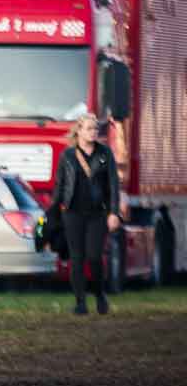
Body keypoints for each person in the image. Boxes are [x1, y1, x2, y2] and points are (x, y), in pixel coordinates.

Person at [51, 113, 121, 315]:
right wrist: (55, 211)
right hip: (72, 213)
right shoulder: (68, 155)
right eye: (89, 129)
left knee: (94, 257)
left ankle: (99, 294)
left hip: (97, 214)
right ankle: (80, 302)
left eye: (95, 129)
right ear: (79, 131)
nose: (93, 132)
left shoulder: (105, 153)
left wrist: (114, 212)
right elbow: (60, 185)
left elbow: (113, 184)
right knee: (77, 258)